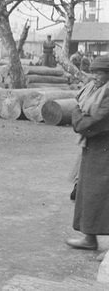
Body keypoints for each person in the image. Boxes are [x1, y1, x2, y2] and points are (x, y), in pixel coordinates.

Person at [66, 55, 109, 251]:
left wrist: (77, 116)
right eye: (94, 72)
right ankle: (89, 237)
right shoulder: (94, 90)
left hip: (105, 150)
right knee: (87, 193)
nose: (95, 77)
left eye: (99, 73)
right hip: (93, 149)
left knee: (104, 196)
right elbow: (79, 111)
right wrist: (79, 116)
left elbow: (88, 123)